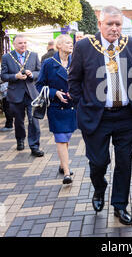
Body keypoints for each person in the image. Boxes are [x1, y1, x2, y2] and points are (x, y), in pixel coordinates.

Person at [68, 6, 132, 225]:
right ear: (100, 24)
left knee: (124, 163)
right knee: (98, 162)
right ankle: (99, 187)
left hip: (127, 117)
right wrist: (82, 104)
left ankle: (120, 206)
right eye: (109, 24)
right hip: (97, 118)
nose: (114, 28)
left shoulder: (131, 44)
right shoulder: (84, 46)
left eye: (118, 24)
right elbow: (74, 80)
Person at [36, 34, 76, 184]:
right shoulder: (48, 63)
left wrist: (75, 92)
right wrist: (55, 93)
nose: (70, 45)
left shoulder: (76, 62)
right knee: (60, 138)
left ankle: (62, 164)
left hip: (71, 107)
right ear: (59, 46)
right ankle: (67, 173)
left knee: (66, 137)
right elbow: (39, 85)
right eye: (67, 43)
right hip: (55, 107)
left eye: (71, 43)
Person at [1, 35, 43, 157]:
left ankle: (35, 146)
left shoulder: (34, 55)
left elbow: (39, 72)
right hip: (15, 94)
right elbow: (3, 76)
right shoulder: (7, 57)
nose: (23, 45)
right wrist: (15, 76)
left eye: (25, 42)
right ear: (14, 44)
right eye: (20, 43)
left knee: (33, 120)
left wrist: (32, 74)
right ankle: (20, 139)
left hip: (32, 94)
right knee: (19, 121)